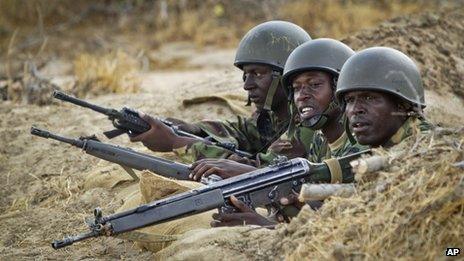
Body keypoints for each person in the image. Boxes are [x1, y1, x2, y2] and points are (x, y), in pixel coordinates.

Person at [208, 39, 367, 226]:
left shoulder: (360, 145)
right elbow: (313, 205)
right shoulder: (320, 139)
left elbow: (346, 222)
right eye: (296, 88)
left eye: (314, 85)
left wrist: (264, 225)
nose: (302, 95)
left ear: (340, 88)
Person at [130, 21, 312, 164]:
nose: (247, 86)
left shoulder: (309, 122)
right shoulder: (275, 114)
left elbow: (259, 171)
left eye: (257, 74)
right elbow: (245, 133)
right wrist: (191, 129)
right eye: (245, 75)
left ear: (286, 76)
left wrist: (176, 143)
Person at [336, 46, 432, 147]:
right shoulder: (383, 147)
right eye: (349, 100)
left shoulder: (428, 147)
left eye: (368, 98)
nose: (354, 109)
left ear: (402, 104)